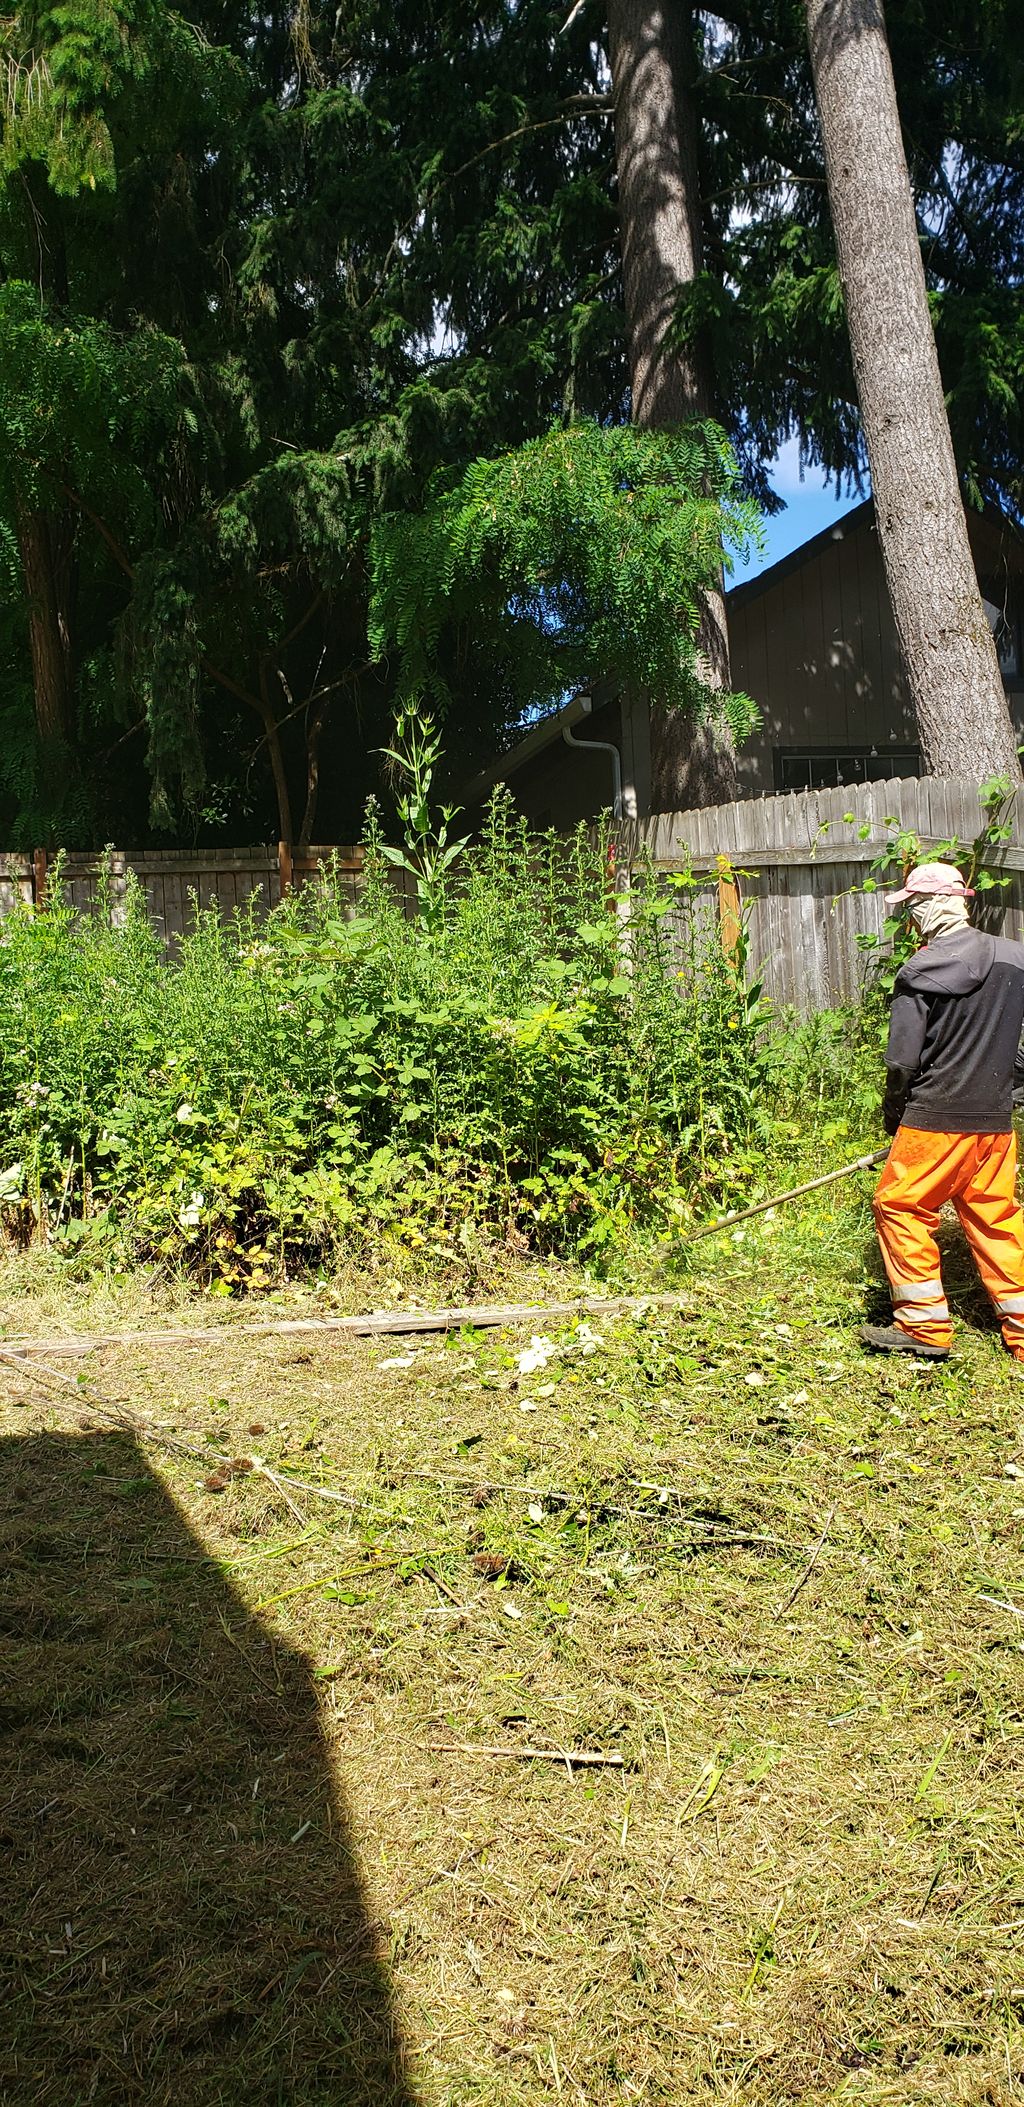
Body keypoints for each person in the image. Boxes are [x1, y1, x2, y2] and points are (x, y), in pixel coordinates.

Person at [863, 861, 1024, 1361]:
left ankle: (923, 1328)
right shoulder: (1016, 959)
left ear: (929, 907)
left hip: (934, 1117)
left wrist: (896, 1115)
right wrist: (1012, 1083)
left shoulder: (920, 970)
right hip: (994, 1121)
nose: (911, 917)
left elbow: (902, 1059)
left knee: (900, 1206)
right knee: (995, 1216)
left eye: (912, 906)